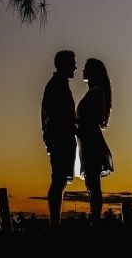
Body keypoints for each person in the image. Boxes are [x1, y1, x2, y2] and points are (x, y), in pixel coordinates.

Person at [41, 50, 78, 229]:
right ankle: (54, 224)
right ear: (63, 65)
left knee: (60, 181)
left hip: (62, 139)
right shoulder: (56, 85)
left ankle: (54, 223)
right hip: (60, 140)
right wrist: (52, 139)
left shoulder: (60, 84)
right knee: (58, 181)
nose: (75, 67)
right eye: (72, 63)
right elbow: (51, 116)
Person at [77, 58, 113, 225]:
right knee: (92, 184)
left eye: (86, 68)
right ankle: (95, 219)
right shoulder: (93, 91)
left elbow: (94, 119)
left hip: (91, 141)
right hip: (86, 140)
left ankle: (96, 221)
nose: (82, 70)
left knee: (93, 185)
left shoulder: (96, 92)